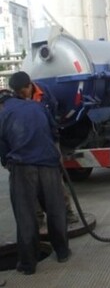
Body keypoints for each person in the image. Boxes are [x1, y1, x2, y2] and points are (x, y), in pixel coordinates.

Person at [0, 89, 71, 275]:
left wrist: (7, 162)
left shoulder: (2, 113)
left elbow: (2, 145)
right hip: (49, 165)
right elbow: (54, 131)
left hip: (23, 168)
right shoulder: (37, 106)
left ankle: (28, 264)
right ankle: (63, 252)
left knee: (26, 215)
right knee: (56, 209)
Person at [8, 71, 79, 225]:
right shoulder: (14, 100)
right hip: (27, 143)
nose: (21, 95)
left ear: (30, 85)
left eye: (22, 91)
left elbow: (53, 115)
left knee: (56, 178)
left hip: (48, 140)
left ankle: (66, 213)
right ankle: (38, 218)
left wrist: (54, 141)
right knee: (31, 183)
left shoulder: (44, 92)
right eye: (17, 93)